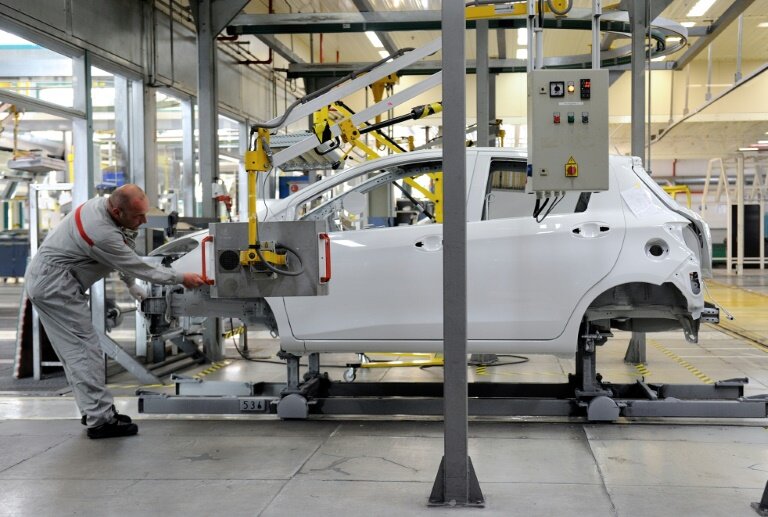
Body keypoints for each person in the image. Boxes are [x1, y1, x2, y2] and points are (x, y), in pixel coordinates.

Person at [24, 184, 206, 439]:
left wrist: (132, 287)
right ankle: (101, 421)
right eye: (138, 216)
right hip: (55, 287)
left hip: (52, 282)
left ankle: (95, 411)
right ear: (117, 211)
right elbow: (133, 263)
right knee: (83, 350)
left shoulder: (103, 209)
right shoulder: (99, 231)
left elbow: (121, 251)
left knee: (75, 352)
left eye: (146, 213)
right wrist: (181, 277)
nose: (143, 221)